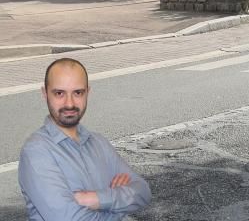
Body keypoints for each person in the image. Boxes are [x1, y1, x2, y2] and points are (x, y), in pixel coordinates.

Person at [18, 57, 151, 221]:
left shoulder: (99, 143)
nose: (69, 103)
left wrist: (95, 199)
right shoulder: (36, 151)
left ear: (88, 92)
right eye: (59, 93)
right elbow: (68, 218)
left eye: (78, 93)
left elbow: (143, 192)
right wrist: (117, 205)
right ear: (44, 94)